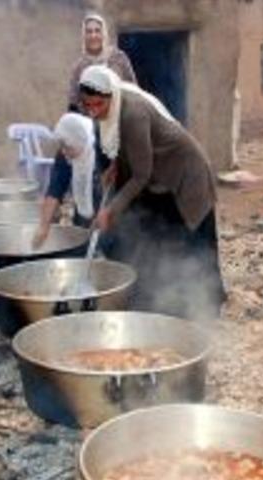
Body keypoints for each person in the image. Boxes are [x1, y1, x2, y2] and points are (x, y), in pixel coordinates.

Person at [77, 65, 226, 321]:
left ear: (111, 95)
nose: (93, 111)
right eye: (88, 105)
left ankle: (207, 307)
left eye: (98, 105)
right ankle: (164, 297)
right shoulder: (112, 109)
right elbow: (128, 148)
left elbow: (141, 175)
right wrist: (115, 164)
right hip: (160, 178)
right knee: (160, 238)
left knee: (194, 243)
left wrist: (110, 211)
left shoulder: (133, 113)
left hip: (185, 176)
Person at [32, 113, 110, 248]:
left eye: (68, 147)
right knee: (82, 249)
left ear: (81, 141)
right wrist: (43, 227)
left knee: (107, 249)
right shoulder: (64, 155)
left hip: (109, 218)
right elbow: (54, 190)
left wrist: (108, 212)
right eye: (62, 146)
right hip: (83, 217)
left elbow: (117, 188)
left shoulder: (104, 151)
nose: (64, 151)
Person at [67, 13, 137, 112]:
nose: (93, 35)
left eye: (97, 31)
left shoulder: (118, 58)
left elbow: (134, 91)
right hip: (91, 121)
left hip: (119, 118)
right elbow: (73, 103)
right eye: (89, 32)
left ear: (104, 33)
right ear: (84, 36)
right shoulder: (79, 67)